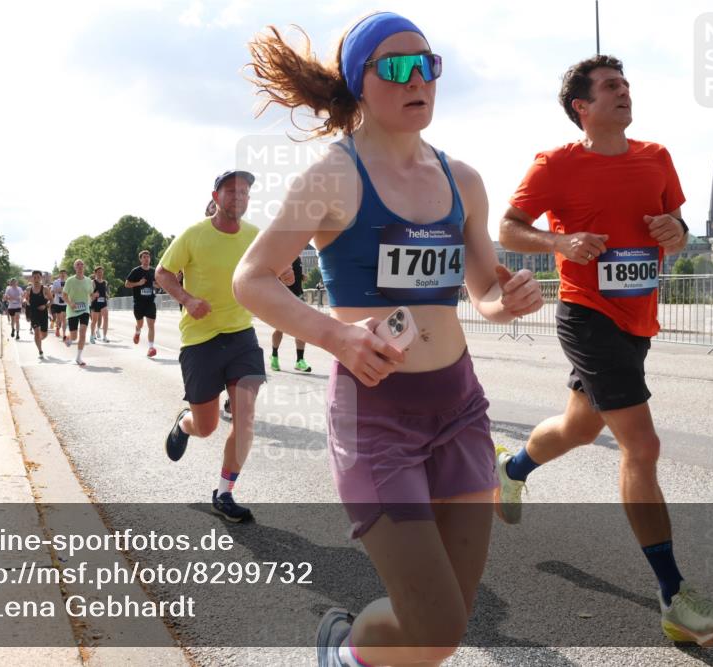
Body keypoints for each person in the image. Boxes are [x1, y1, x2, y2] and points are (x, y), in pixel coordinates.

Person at [234, 13, 543, 666]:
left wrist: (506, 299)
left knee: (446, 626)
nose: (417, 80)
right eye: (396, 67)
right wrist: (337, 336)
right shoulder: (333, 176)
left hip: (460, 408)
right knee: (433, 628)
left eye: (427, 65)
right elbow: (251, 278)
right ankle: (341, 651)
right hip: (375, 416)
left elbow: (483, 290)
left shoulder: (463, 180)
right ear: (360, 82)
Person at [496, 54, 713, 647]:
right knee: (642, 445)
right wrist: (559, 242)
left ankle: (510, 469)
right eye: (611, 86)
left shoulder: (656, 157)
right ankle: (675, 598)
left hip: (638, 321)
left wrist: (676, 232)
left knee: (581, 427)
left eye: (627, 84)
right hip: (588, 317)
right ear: (582, 106)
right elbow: (508, 227)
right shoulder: (555, 164)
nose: (624, 91)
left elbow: (677, 229)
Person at [157, 170, 271, 523]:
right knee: (206, 427)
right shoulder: (194, 234)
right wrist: (187, 299)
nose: (239, 196)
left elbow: (269, 271)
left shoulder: (255, 236)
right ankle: (185, 423)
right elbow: (163, 272)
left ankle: (224, 494)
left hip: (241, 336)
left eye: (245, 191)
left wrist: (281, 274)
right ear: (216, 196)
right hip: (201, 340)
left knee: (245, 419)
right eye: (231, 190)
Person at [270, 257, 312, 372]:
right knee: (280, 328)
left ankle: (300, 360)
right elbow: (271, 275)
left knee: (301, 329)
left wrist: (301, 276)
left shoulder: (297, 257)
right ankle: (274, 356)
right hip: (283, 297)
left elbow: (294, 271)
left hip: (298, 297)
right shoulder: (282, 254)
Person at [125, 250, 158, 357]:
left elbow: (158, 284)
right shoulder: (136, 271)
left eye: (148, 257)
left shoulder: (154, 271)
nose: (146, 259)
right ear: (140, 259)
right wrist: (138, 283)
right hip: (139, 303)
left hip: (150, 302)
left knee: (151, 325)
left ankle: (151, 348)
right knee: (140, 324)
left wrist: (157, 284)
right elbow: (127, 284)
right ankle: (137, 332)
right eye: (144, 257)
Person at [63, 259, 94, 366]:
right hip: (72, 310)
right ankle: (68, 338)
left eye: (81, 264)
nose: (80, 266)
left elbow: (91, 294)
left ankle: (78, 357)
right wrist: (70, 303)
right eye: (78, 264)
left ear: (84, 267)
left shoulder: (88, 280)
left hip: (84, 309)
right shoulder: (70, 281)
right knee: (74, 336)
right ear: (75, 267)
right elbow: (64, 295)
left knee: (83, 332)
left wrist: (94, 296)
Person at [26, 270, 52, 358]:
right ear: (32, 278)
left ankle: (38, 340)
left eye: (38, 277)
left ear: (41, 278)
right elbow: (26, 299)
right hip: (33, 313)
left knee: (44, 335)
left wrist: (46, 306)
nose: (36, 279)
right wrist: (26, 302)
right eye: (34, 277)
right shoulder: (28, 289)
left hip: (43, 313)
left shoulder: (45, 289)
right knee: (36, 331)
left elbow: (51, 300)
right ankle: (40, 351)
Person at [89, 266, 110, 343]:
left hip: (103, 303)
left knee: (106, 318)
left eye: (101, 272)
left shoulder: (105, 282)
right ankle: (92, 336)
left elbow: (105, 292)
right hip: (95, 303)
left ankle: (104, 336)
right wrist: (94, 295)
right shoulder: (92, 282)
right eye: (98, 272)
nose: (100, 273)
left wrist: (107, 295)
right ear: (95, 273)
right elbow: (89, 294)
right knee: (94, 321)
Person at [51, 269, 68, 342]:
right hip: (57, 302)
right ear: (59, 274)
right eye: (61, 273)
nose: (63, 275)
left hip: (65, 302)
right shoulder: (56, 282)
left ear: (66, 274)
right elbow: (52, 291)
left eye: (64, 273)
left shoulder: (68, 282)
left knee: (64, 318)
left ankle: (64, 334)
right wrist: (59, 289)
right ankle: (57, 328)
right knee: (58, 318)